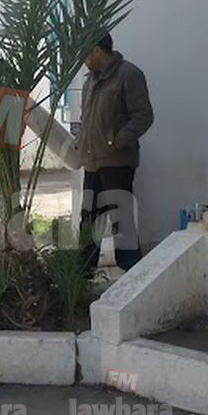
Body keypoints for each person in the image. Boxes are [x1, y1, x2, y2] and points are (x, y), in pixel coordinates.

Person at [75, 32, 154, 271]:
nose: (83, 60)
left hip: (117, 161)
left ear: (97, 50)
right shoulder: (89, 81)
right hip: (92, 161)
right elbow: (87, 118)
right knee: (89, 218)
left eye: (85, 54)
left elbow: (144, 116)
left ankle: (132, 270)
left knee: (121, 219)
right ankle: (82, 272)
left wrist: (116, 141)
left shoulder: (129, 75)